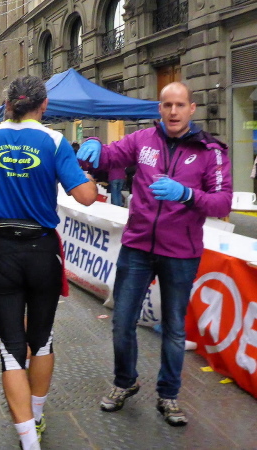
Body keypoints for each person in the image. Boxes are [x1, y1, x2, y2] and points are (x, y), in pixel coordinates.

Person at [0, 75, 97, 450]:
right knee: (42, 339)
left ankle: (29, 440)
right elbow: (85, 196)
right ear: (43, 105)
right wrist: (89, 176)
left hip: (3, 250)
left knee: (11, 348)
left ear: (8, 105)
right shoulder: (55, 141)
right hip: (43, 251)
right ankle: (38, 413)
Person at [76, 81, 233, 426]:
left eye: (180, 105)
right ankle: (125, 382)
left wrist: (187, 195)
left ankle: (169, 395)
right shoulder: (142, 140)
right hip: (137, 247)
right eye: (167, 105)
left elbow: (222, 202)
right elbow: (109, 157)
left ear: (192, 109)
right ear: (159, 109)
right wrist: (94, 144)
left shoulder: (211, 151)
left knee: (174, 329)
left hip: (181, 253)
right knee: (122, 322)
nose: (173, 112)